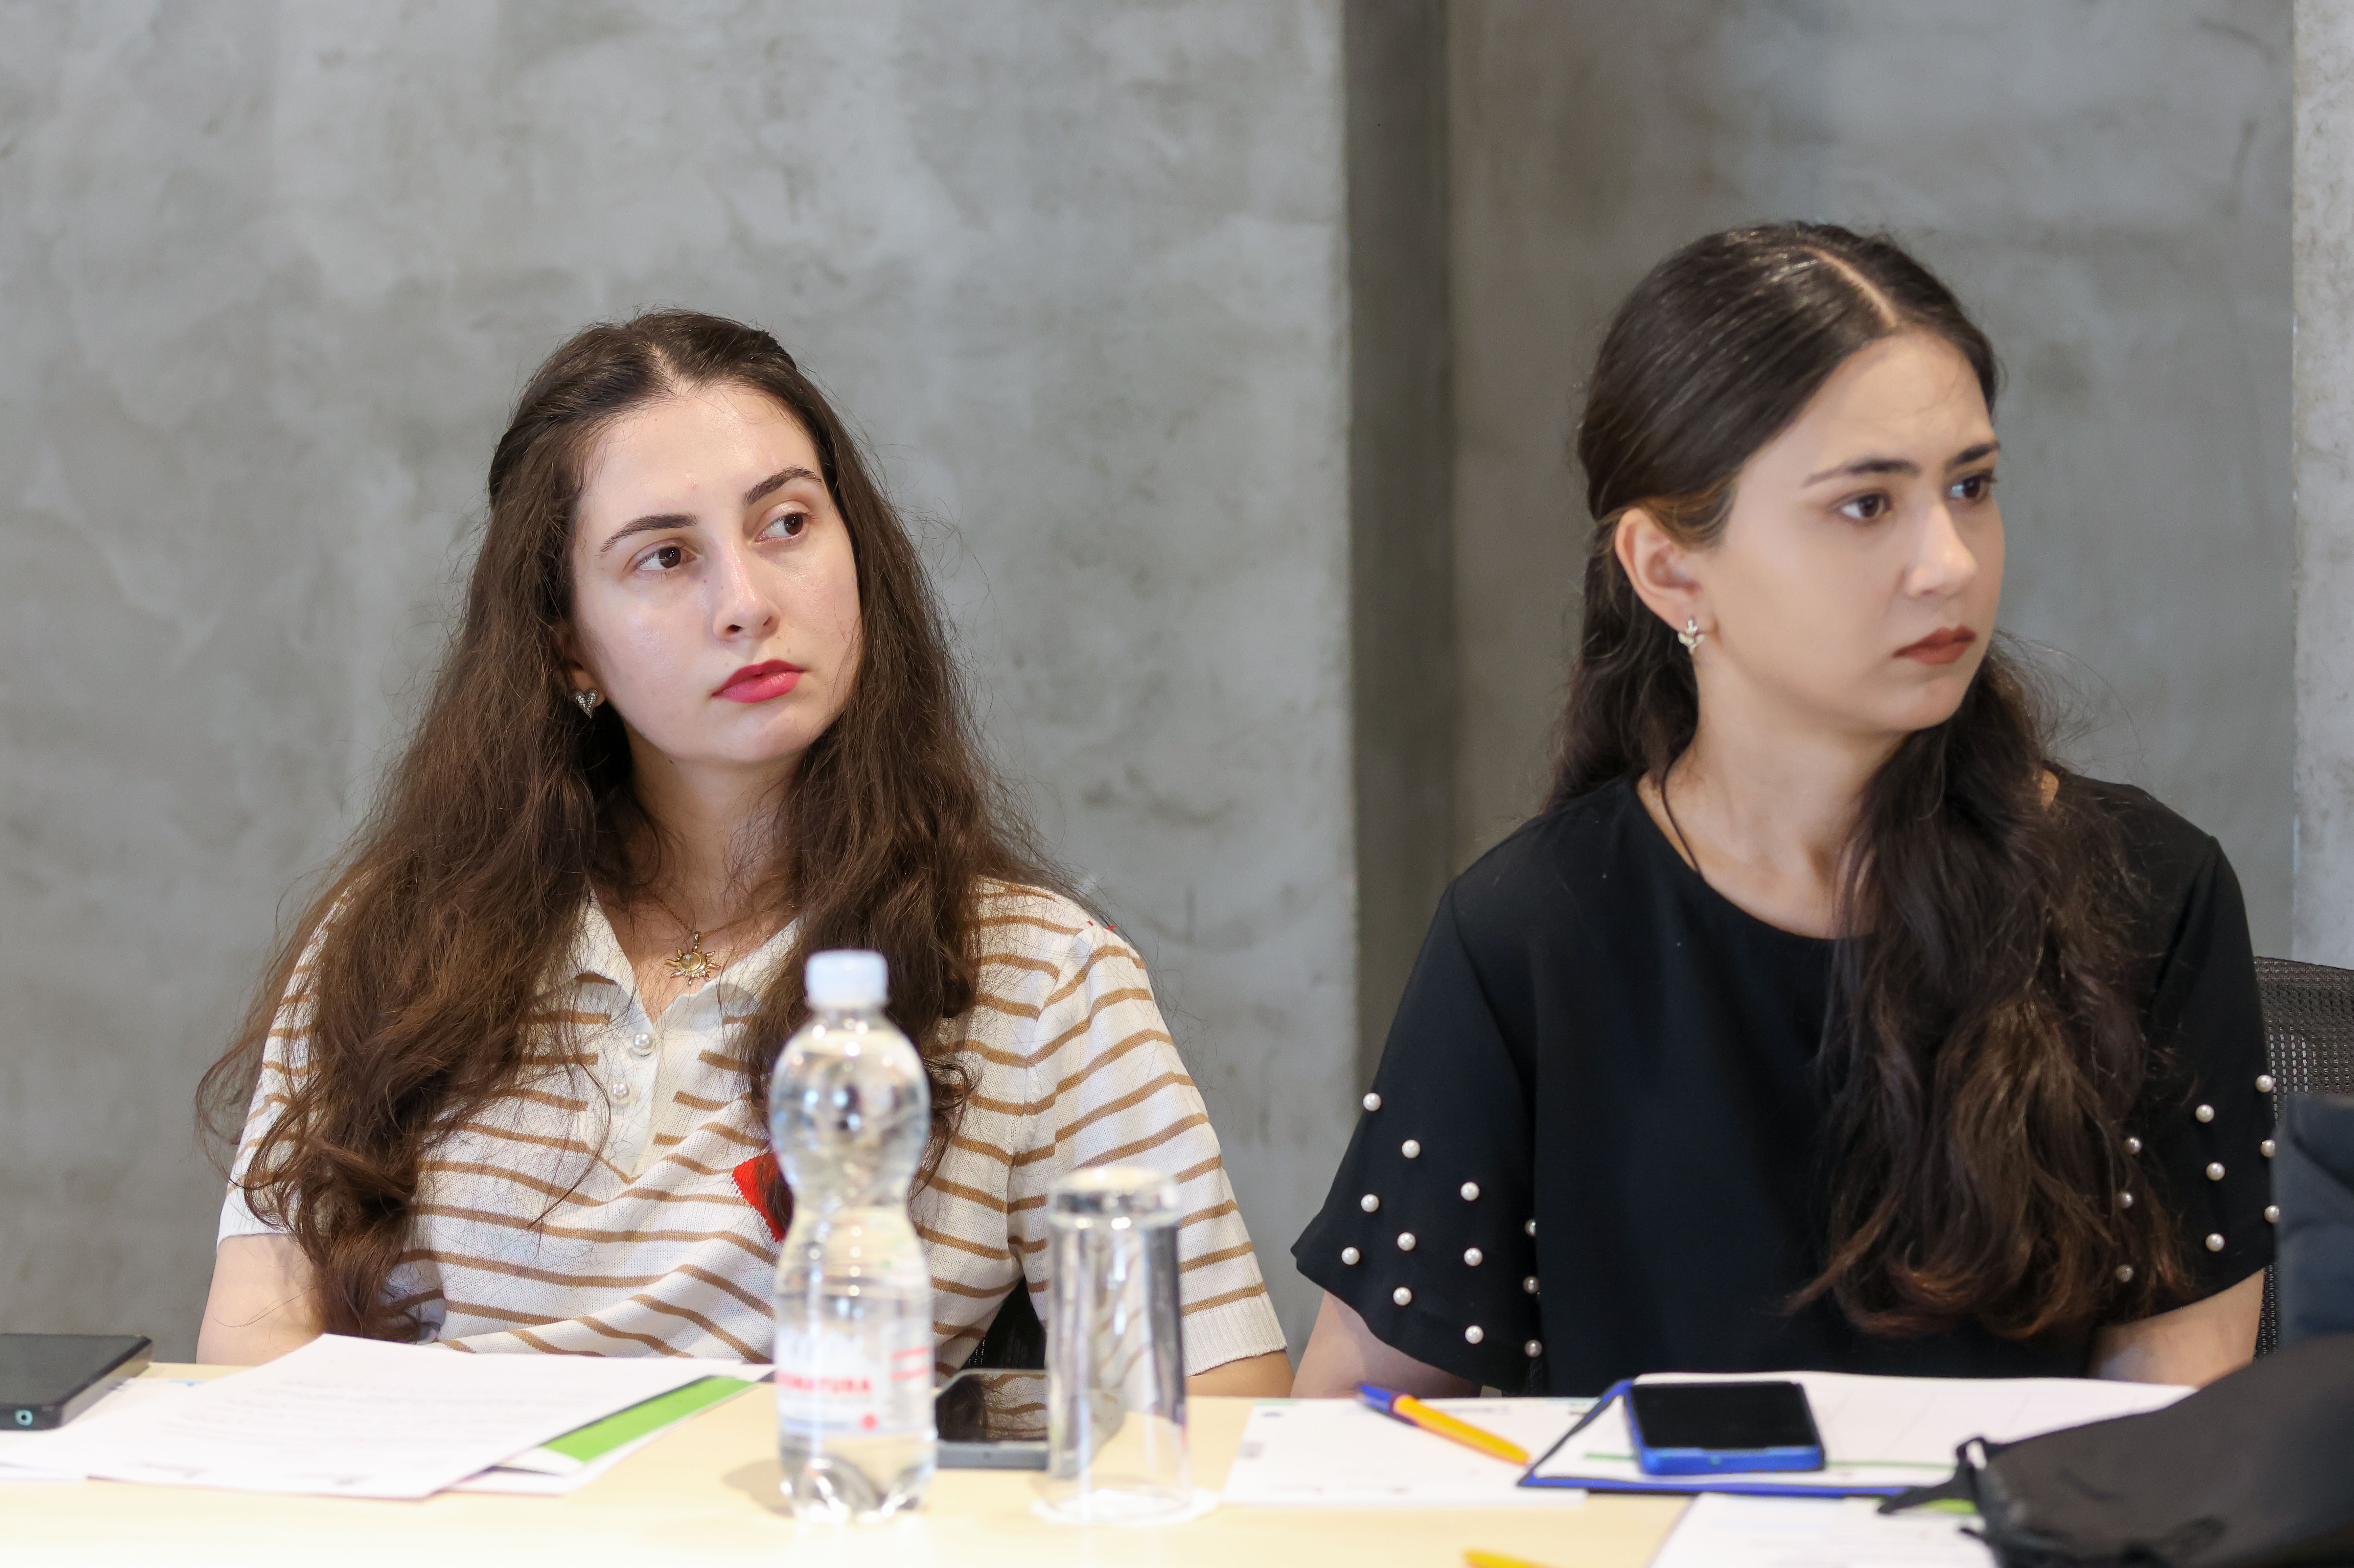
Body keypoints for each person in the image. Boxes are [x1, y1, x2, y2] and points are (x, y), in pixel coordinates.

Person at [197, 311, 1292, 1400]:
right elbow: (252, 1353)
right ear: (565, 642)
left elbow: (1221, 1406)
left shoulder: (1041, 978)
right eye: (666, 557)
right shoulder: (398, 936)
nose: (747, 605)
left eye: (787, 524)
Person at [1292, 224, 2272, 1398]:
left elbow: (2178, 1427)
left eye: (1971, 487)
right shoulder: (1528, 934)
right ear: (1669, 569)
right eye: (1866, 505)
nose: (1952, 563)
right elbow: (1368, 1423)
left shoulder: (2149, 892)